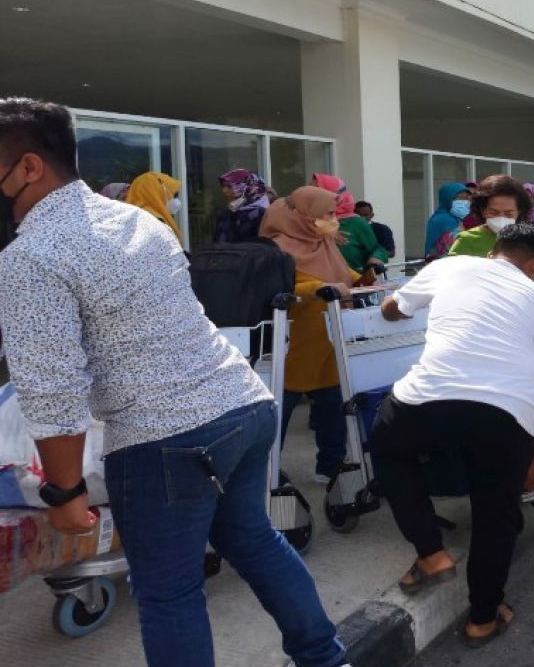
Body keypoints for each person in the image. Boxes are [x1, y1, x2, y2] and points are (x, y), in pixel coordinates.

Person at [0, 98, 345, 667]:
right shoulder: (136, 220)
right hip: (242, 406)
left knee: (168, 592)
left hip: (163, 438)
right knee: (254, 541)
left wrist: (64, 494)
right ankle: (326, 659)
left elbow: (51, 390)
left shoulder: (30, 257)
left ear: (31, 167)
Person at [373, 224, 534, 648]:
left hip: (426, 399)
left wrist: (391, 304)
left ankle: (431, 551)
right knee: (496, 514)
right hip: (507, 414)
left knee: (389, 450)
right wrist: (531, 461)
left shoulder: (454, 265)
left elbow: (393, 308)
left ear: (495, 251)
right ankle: (482, 619)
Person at [260, 187, 361, 485]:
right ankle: (267, 471)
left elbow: (342, 273)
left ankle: (330, 465)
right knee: (279, 412)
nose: (333, 220)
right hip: (294, 343)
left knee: (333, 406)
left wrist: (363, 277)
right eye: (327, 214)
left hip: (329, 338)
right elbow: (286, 286)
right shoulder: (276, 248)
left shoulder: (324, 241)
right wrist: (317, 287)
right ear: (304, 215)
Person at [449, 174, 534, 284]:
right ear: (482, 210)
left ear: (519, 212)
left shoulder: (529, 240)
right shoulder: (466, 239)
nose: (501, 218)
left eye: (509, 214)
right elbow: (450, 276)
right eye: (494, 212)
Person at [310, 173, 387, 274]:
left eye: (316, 190)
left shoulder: (355, 222)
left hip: (353, 284)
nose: (309, 194)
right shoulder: (302, 220)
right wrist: (323, 234)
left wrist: (375, 260)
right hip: (312, 284)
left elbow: (377, 249)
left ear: (334, 195)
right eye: (309, 189)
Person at [213, 168, 270, 244]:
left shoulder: (261, 214)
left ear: (247, 188)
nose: (224, 191)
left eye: (229, 186)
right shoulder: (225, 214)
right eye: (223, 186)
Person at [126, 170, 183, 243]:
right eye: (173, 194)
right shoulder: (153, 220)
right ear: (157, 192)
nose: (173, 198)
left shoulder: (131, 215)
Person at [423, 182, 470, 261]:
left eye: (466, 198)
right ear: (447, 198)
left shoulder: (460, 219)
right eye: (460, 198)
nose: (464, 202)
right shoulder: (441, 219)